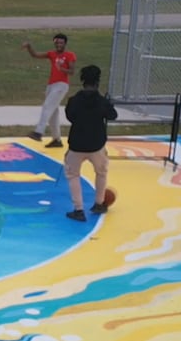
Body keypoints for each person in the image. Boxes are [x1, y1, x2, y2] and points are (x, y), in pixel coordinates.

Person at [62, 65, 118, 222]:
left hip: (77, 145)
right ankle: (99, 203)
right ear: (98, 81)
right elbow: (113, 115)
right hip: (97, 145)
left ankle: (78, 209)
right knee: (101, 173)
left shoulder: (74, 100)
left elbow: (70, 116)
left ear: (82, 80)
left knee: (73, 175)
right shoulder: (102, 101)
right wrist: (108, 104)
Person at [21, 33, 76, 148]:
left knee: (47, 107)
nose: (59, 45)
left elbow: (72, 71)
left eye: (61, 43)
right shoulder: (52, 54)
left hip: (61, 85)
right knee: (53, 114)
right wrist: (29, 47)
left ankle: (39, 132)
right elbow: (35, 55)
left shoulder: (69, 55)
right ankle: (57, 139)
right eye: (57, 42)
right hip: (51, 85)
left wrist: (62, 69)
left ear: (65, 43)